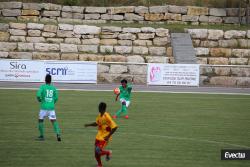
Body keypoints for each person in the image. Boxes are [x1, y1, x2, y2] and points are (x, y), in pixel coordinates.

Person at [85, 102, 118, 167]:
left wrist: (108, 136)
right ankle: (100, 165)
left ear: (103, 109)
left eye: (99, 108)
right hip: (99, 136)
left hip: (105, 137)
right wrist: (88, 125)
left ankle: (108, 152)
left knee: (98, 150)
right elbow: (97, 123)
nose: (98, 109)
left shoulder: (107, 116)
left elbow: (115, 127)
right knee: (96, 153)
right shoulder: (100, 115)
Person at [36, 74, 61, 141]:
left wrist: (40, 100)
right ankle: (58, 134)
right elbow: (56, 98)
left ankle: (42, 136)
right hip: (51, 108)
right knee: (54, 121)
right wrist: (52, 103)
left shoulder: (42, 87)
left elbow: (38, 95)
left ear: (45, 80)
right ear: (51, 80)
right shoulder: (53, 88)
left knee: (40, 120)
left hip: (44, 107)